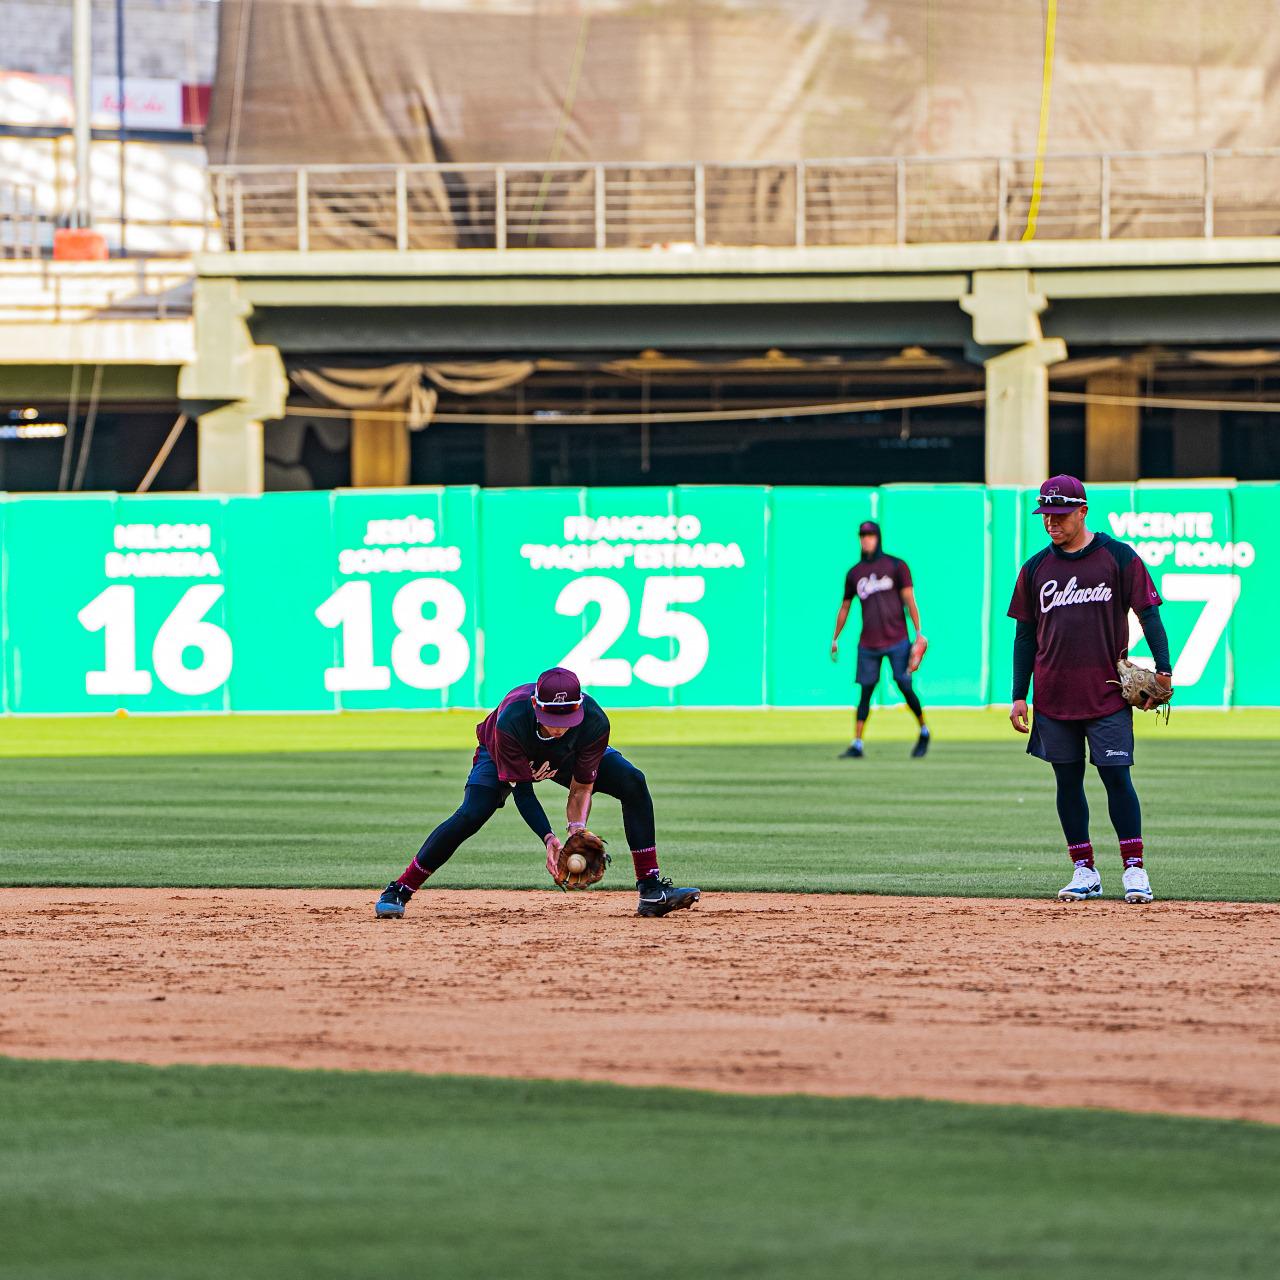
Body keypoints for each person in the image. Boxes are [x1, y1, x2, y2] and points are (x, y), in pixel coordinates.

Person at [374, 666, 700, 919]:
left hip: (564, 757)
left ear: (580, 706)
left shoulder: (594, 722)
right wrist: (548, 838)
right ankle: (399, 889)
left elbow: (582, 786)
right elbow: (523, 792)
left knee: (633, 781)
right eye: (551, 718)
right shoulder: (511, 719)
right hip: (500, 751)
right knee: (473, 813)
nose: (559, 726)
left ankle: (651, 890)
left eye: (567, 717)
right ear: (535, 704)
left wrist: (576, 830)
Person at [1007, 475, 1172, 904]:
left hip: (1106, 694)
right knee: (1067, 781)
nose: (1051, 524)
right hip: (1053, 695)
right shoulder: (1035, 569)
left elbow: (1149, 615)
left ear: (1082, 511)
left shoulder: (1118, 558)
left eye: (1059, 515)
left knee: (1117, 777)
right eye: (1045, 516)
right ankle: (1084, 870)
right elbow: (1025, 637)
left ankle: (1134, 870)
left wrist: (1164, 671)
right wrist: (1018, 695)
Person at [830, 520, 929, 758]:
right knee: (865, 691)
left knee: (904, 684)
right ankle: (857, 743)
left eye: (870, 535)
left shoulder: (896, 565)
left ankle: (924, 730)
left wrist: (918, 633)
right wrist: (835, 637)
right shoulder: (854, 573)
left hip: (897, 639)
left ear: (878, 537)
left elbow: (909, 600)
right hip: (868, 643)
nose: (866, 539)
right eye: (862, 535)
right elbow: (845, 608)